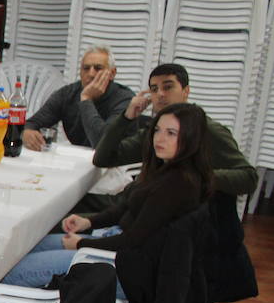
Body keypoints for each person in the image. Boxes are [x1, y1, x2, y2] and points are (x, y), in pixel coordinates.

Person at [3, 102, 215, 303]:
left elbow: (133, 240)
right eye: (157, 130)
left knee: (14, 273)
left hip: (127, 269)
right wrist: (90, 222)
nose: (159, 138)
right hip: (119, 248)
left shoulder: (177, 185)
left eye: (171, 133)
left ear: (191, 138)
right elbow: (125, 207)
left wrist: (82, 243)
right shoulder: (165, 170)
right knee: (25, 249)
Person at [89, 62, 255, 207]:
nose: (160, 94)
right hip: (147, 209)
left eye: (168, 87)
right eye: (154, 89)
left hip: (190, 223)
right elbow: (103, 159)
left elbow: (249, 178)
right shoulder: (154, 132)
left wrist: (194, 178)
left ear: (186, 91)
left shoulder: (207, 130)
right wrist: (126, 117)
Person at [23, 46, 134, 150]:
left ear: (112, 73)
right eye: (86, 68)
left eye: (98, 68)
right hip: (79, 157)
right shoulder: (67, 94)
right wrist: (26, 132)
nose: (91, 74)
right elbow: (32, 122)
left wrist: (86, 99)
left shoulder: (125, 99)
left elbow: (102, 143)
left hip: (113, 162)